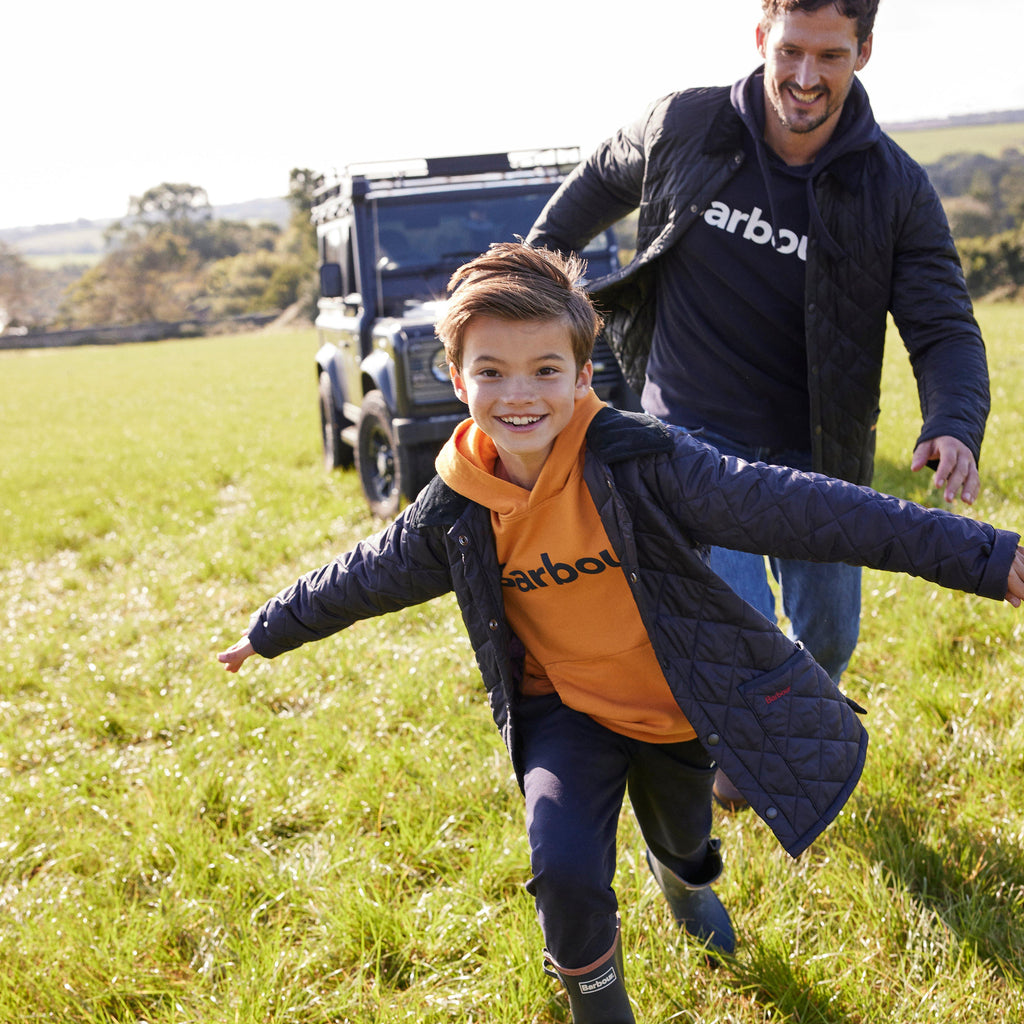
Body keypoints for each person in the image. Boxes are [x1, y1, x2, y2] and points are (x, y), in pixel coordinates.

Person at [218, 244, 1022, 1024]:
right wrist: (270, 628)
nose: (518, 394)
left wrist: (989, 556)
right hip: (564, 713)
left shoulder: (649, 463)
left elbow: (814, 510)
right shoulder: (455, 506)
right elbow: (366, 572)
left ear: (581, 375)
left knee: (686, 843)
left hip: (677, 707)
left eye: (544, 370)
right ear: (458, 379)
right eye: (491, 372)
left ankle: (682, 878)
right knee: (563, 869)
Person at [525, 0, 990, 812]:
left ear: (865, 52)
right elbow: (600, 178)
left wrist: (952, 424)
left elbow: (942, 325)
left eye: (832, 57)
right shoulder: (686, 126)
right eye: (792, 51)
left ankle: (788, 723)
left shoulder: (894, 189)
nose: (806, 78)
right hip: (689, 440)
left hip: (817, 449)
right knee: (735, 616)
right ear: (760, 40)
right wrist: (530, 287)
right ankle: (742, 751)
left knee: (830, 633)